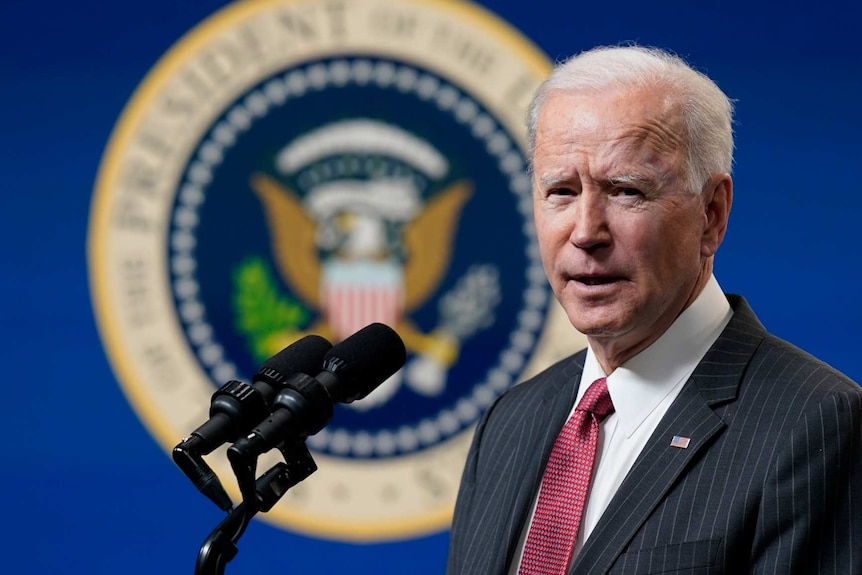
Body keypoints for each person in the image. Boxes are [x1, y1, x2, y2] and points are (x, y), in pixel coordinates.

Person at [447, 45, 862, 575]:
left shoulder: (815, 423)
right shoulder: (510, 421)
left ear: (711, 216)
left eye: (624, 191)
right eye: (561, 191)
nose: (585, 232)